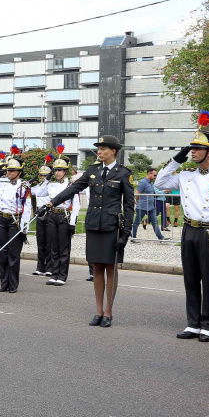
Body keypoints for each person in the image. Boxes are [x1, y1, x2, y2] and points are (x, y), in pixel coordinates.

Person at [155, 113, 209, 342]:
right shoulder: (185, 176)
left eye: (197, 148)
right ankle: (193, 324)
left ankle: (208, 325)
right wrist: (177, 159)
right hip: (189, 230)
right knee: (191, 280)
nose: (192, 151)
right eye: (191, 148)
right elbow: (160, 183)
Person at [47, 136, 134, 328]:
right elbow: (74, 188)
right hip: (94, 225)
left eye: (103, 149)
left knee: (110, 268)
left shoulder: (123, 173)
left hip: (112, 227)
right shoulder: (93, 171)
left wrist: (126, 233)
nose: (99, 152)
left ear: (113, 151)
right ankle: (98, 311)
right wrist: (52, 202)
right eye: (98, 149)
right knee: (96, 268)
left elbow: (129, 206)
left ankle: (108, 312)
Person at [0, 157, 32, 293]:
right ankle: (4, 283)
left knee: (13, 254)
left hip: (15, 221)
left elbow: (27, 209)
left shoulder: (24, 186)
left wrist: (24, 228)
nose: (8, 172)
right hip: (1, 220)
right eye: (8, 170)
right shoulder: (1, 184)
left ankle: (13, 284)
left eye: (12, 170)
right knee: (3, 252)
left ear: (19, 172)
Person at [41, 155, 81, 286]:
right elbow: (39, 192)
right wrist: (47, 177)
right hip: (52, 215)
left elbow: (76, 206)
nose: (57, 172)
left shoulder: (71, 185)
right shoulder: (51, 185)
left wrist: (72, 223)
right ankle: (54, 274)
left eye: (60, 170)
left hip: (64, 216)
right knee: (53, 246)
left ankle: (62, 275)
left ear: (65, 171)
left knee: (63, 247)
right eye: (55, 170)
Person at [131, 168, 166, 241]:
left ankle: (160, 237)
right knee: (137, 222)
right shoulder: (143, 182)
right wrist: (137, 201)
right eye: (154, 175)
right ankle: (133, 237)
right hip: (142, 206)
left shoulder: (150, 183)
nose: (156, 177)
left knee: (155, 222)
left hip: (151, 207)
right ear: (149, 174)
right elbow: (137, 193)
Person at [31, 161, 52, 276]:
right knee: (40, 241)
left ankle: (49, 267)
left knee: (49, 242)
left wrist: (47, 181)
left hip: (49, 213)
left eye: (45, 175)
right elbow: (28, 189)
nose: (43, 177)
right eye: (41, 175)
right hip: (39, 214)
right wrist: (30, 180)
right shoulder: (38, 186)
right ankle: (40, 267)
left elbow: (40, 192)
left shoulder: (51, 186)